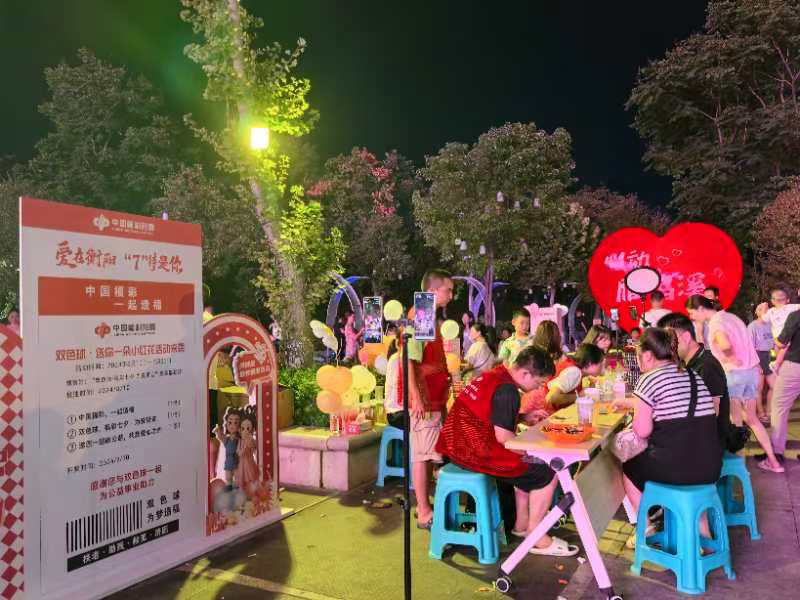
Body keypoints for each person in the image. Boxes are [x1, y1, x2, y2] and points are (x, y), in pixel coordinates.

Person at [436, 347, 579, 557]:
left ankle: (521, 525)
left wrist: (522, 417)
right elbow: (504, 438)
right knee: (548, 470)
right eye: (539, 382)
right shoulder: (507, 390)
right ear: (525, 374)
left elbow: (491, 416)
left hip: (457, 445)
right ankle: (536, 534)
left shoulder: (494, 375)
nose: (539, 388)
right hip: (471, 451)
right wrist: (537, 451)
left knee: (529, 460)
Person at [616, 327, 722, 547]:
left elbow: (642, 432)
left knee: (629, 467)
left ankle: (644, 528)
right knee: (683, 463)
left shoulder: (648, 379)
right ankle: (703, 537)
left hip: (677, 469)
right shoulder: (692, 375)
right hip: (710, 467)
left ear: (647, 355)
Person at [686, 295, 783, 473]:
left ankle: (736, 470)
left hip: (734, 375)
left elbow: (724, 344)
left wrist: (729, 357)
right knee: (752, 419)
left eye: (692, 313)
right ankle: (774, 462)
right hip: (751, 372)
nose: (692, 317)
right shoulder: (732, 318)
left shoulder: (715, 323)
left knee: (735, 422)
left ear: (700, 309)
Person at [398, 269, 454, 529]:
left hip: (433, 396)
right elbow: (408, 361)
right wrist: (416, 397)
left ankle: (426, 505)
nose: (451, 296)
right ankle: (423, 510)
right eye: (448, 290)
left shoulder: (427, 315)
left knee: (428, 452)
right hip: (425, 398)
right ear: (432, 291)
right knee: (421, 454)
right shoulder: (421, 313)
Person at [658, 312, 730, 449]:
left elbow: (711, 414)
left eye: (670, 341)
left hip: (706, 444)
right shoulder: (689, 363)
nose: (668, 348)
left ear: (685, 337)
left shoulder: (707, 365)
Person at [767, 307, 800, 463]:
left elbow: (781, 342)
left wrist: (774, 334)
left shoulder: (796, 316)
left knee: (779, 408)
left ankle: (776, 453)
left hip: (795, 366)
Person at [748, 304, 776, 424]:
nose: (767, 311)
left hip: (769, 356)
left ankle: (769, 411)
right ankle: (760, 413)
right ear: (757, 312)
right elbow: (749, 347)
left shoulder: (771, 325)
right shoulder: (752, 326)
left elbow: (775, 342)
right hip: (757, 356)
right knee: (758, 388)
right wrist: (757, 364)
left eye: (767, 309)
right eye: (764, 309)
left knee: (775, 386)